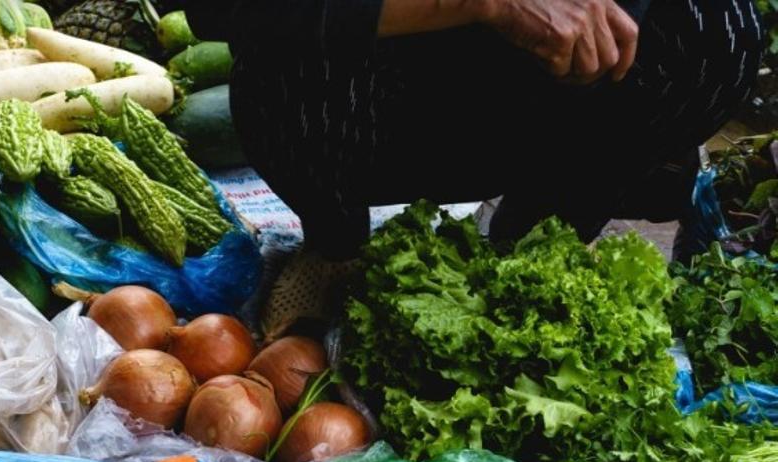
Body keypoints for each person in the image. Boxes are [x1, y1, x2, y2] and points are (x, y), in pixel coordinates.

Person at [180, 0, 764, 263]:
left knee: (717, 29)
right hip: (368, 75)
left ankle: (535, 244)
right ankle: (335, 252)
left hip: (538, 76)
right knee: (290, 72)